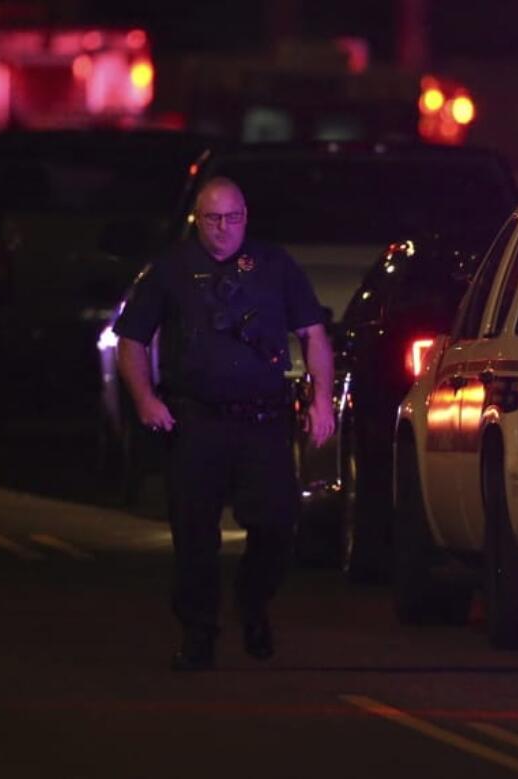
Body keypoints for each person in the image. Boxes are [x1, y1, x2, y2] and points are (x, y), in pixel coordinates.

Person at [114, 176, 335, 671]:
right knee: (194, 536)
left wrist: (323, 400)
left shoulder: (274, 265)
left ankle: (253, 602)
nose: (223, 229)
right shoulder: (170, 270)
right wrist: (145, 399)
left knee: (278, 524)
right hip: (196, 422)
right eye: (213, 219)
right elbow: (131, 340)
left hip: (262, 421)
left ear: (246, 217)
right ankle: (198, 633)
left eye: (233, 218)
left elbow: (313, 333)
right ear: (198, 219)